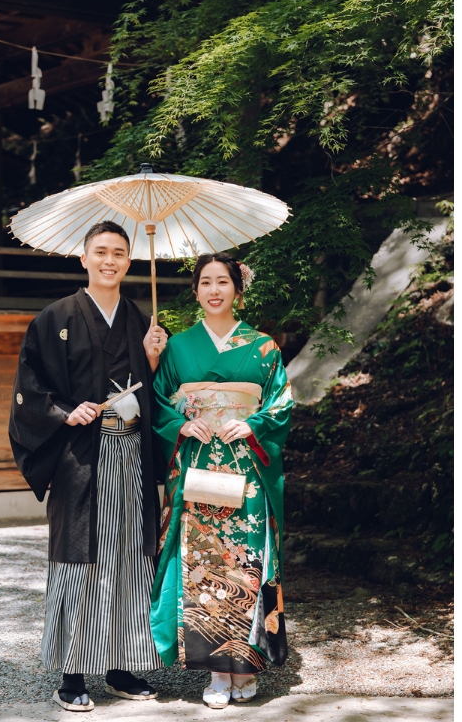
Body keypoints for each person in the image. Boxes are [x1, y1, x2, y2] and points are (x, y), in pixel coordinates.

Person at [9, 220, 170, 712]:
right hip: (81, 456)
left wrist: (151, 359)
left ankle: (122, 665)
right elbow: (30, 390)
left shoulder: (143, 321)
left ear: (129, 261)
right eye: (101, 252)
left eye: (119, 253)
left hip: (131, 455)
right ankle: (73, 673)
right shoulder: (55, 317)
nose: (110, 260)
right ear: (84, 258)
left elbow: (151, 395)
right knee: (81, 559)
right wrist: (64, 412)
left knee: (130, 557)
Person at [150, 252, 293, 709]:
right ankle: (215, 671)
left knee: (246, 562)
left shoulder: (264, 346)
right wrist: (179, 424)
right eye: (206, 282)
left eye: (223, 282)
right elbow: (157, 401)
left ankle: (246, 665)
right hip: (198, 466)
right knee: (205, 564)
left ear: (238, 290)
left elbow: (282, 403)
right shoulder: (177, 347)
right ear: (195, 291)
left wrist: (253, 426)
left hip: (246, 468)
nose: (214, 290)